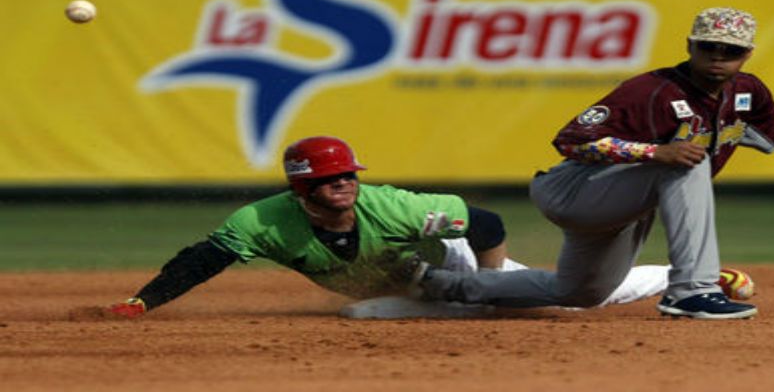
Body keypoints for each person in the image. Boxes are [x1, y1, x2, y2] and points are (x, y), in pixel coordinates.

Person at [417, 7, 774, 320]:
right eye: (708, 46)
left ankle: (442, 285)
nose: (717, 57)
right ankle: (693, 292)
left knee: (580, 293)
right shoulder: (651, 90)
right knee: (688, 160)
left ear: (746, 53)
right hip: (575, 189)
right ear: (690, 44)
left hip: (625, 203)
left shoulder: (746, 90)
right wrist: (654, 151)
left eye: (729, 50)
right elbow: (570, 139)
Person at [105, 136, 672, 319]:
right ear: (301, 190)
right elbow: (203, 259)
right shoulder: (260, 222)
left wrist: (496, 285)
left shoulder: (394, 206)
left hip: (456, 264)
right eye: (331, 181)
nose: (345, 185)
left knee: (575, 298)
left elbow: (487, 222)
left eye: (349, 175)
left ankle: (680, 274)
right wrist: (143, 302)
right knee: (361, 311)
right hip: (403, 288)